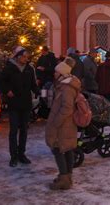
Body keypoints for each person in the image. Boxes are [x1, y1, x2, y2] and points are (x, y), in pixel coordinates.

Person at [0, 46, 38, 167]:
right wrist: (7, 90)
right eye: (24, 57)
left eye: (27, 57)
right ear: (18, 57)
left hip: (26, 103)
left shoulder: (29, 69)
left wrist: (38, 92)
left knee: (24, 130)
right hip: (14, 103)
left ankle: (22, 154)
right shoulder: (10, 68)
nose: (26, 59)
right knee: (13, 130)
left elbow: (33, 84)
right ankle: (13, 156)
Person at [45, 57, 81, 190]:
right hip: (66, 123)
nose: (54, 74)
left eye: (56, 72)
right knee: (66, 149)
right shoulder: (64, 85)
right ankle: (66, 176)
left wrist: (56, 121)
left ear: (62, 73)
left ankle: (64, 178)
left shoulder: (66, 88)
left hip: (63, 124)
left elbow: (67, 107)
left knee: (59, 148)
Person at [96, 51, 110, 122]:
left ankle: (103, 118)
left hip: (101, 89)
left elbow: (96, 78)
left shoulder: (100, 66)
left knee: (103, 105)